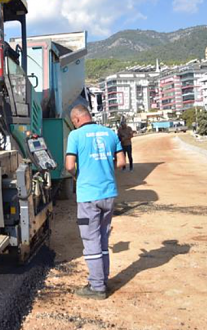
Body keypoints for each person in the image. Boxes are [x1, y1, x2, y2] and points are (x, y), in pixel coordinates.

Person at [65, 105, 126, 299]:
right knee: (102, 238)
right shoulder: (109, 133)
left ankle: (97, 287)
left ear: (76, 120)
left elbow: (69, 166)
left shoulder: (75, 136)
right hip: (108, 193)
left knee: (91, 240)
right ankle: (102, 279)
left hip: (88, 196)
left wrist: (78, 178)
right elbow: (122, 162)